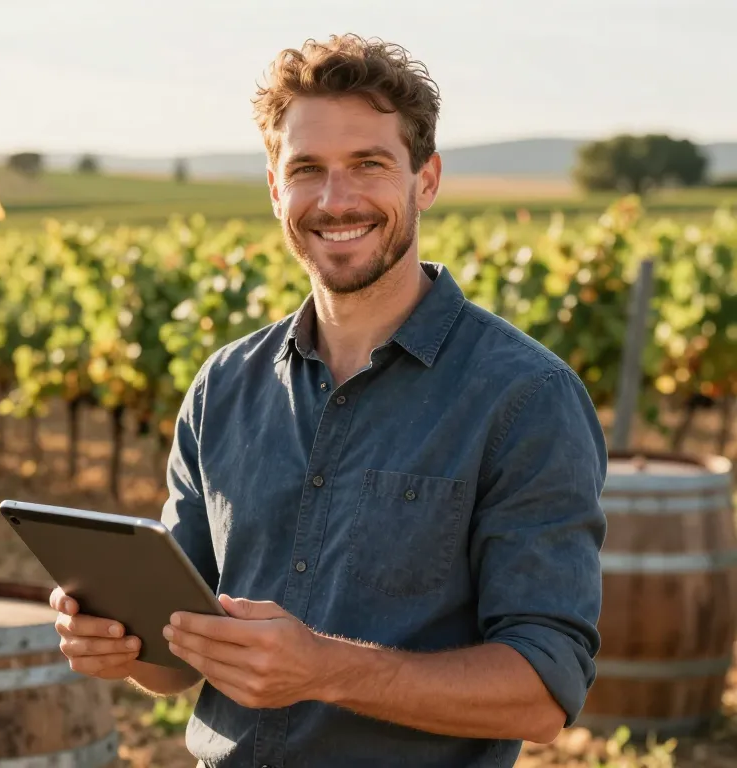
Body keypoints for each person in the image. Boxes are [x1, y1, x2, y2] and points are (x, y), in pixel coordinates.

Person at [51, 33, 607, 767]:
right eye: (306, 169)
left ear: (426, 179)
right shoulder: (224, 386)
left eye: (368, 165)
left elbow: (543, 691)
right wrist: (120, 644)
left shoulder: (526, 398)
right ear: (277, 190)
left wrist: (324, 669)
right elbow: (176, 663)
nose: (335, 199)